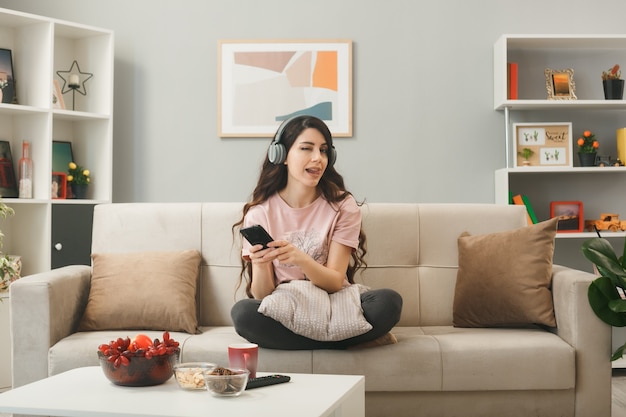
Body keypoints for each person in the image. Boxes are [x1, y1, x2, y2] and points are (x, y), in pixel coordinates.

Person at [230, 115, 402, 350]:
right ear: (282, 156)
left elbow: (333, 282)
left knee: (388, 302)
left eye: (323, 151)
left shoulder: (343, 206)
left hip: (333, 302)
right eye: (306, 148)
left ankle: (307, 342)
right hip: (286, 303)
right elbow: (263, 296)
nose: (317, 158)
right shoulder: (260, 214)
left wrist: (300, 258)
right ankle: (346, 340)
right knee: (243, 313)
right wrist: (260, 265)